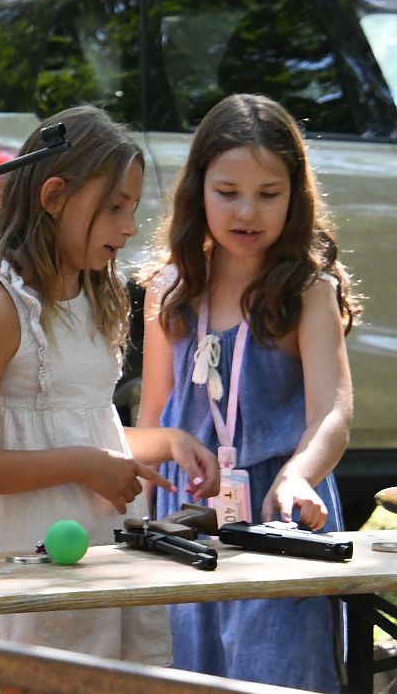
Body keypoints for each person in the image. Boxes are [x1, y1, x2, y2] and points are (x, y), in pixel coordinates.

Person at [0, 105, 219, 669]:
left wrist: (164, 441)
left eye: (131, 208)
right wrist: (85, 464)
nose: (128, 227)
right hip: (27, 567)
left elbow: (74, 424)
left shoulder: (93, 297)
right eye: (113, 207)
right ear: (54, 196)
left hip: (97, 550)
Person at [138, 93, 356, 692]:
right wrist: (156, 452)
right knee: (187, 674)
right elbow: (150, 417)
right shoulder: (170, 290)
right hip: (187, 522)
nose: (247, 212)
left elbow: (333, 412)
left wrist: (298, 475)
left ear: (296, 195)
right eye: (227, 191)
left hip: (278, 521)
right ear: (197, 189)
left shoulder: (307, 292)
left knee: (279, 674)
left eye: (269, 194)